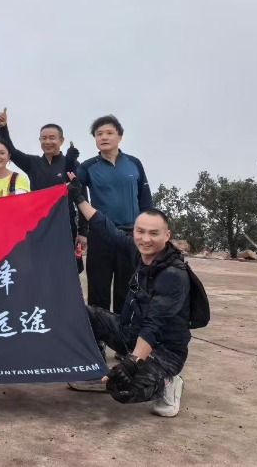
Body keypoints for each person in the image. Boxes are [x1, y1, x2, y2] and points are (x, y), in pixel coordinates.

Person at [67, 177, 189, 417]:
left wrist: (131, 363)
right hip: (129, 333)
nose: (145, 239)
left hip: (163, 351)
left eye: (154, 233)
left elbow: (154, 327)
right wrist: (79, 198)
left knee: (121, 389)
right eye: (140, 231)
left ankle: (168, 382)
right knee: (79, 313)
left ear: (167, 236)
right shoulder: (139, 251)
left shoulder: (173, 275)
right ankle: (95, 368)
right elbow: (106, 228)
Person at [75, 115, 153, 319]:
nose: (104, 137)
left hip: (130, 236)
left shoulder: (134, 164)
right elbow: (72, 190)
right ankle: (98, 341)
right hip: (101, 235)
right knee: (98, 290)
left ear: (120, 136)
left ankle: (123, 341)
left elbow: (145, 198)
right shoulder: (88, 166)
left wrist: (150, 232)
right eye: (99, 134)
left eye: (109, 133)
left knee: (127, 291)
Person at [0, 107, 83, 271]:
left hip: (65, 225)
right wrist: (3, 127)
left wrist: (83, 231)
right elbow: (11, 152)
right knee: (39, 270)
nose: (47, 142)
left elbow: (81, 197)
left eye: (52, 138)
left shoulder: (72, 164)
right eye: (43, 138)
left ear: (61, 140)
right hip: (38, 225)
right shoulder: (33, 163)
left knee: (65, 272)